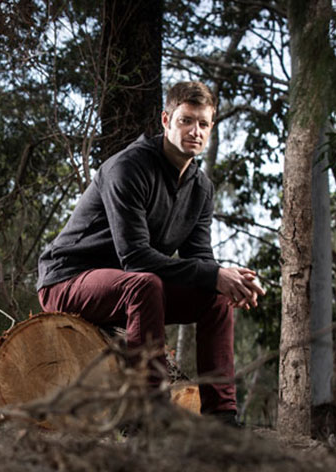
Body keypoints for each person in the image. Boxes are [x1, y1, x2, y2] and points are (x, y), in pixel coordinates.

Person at [35, 81, 265, 426]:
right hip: (68, 281)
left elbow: (200, 257)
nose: (195, 131)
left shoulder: (201, 188)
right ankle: (147, 413)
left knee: (215, 298)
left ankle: (223, 417)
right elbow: (135, 258)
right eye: (186, 120)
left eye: (203, 124)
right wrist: (214, 275)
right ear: (165, 120)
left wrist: (231, 281)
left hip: (128, 287)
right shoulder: (128, 167)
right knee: (144, 283)